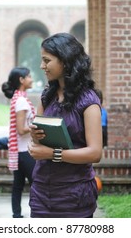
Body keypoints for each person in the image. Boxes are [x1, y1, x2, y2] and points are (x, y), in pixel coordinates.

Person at [28, 32, 103, 218]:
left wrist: (53, 154)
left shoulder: (88, 100)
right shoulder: (46, 96)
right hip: (41, 193)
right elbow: (39, 145)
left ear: (65, 60)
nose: (41, 66)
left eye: (47, 60)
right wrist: (35, 137)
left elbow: (95, 153)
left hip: (74, 195)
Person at [1, 67, 36, 218]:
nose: (31, 79)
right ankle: (36, 214)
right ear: (21, 80)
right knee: (36, 185)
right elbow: (21, 130)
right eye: (28, 76)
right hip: (25, 152)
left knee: (18, 186)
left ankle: (17, 216)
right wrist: (37, 126)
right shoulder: (21, 101)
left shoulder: (19, 98)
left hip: (20, 151)